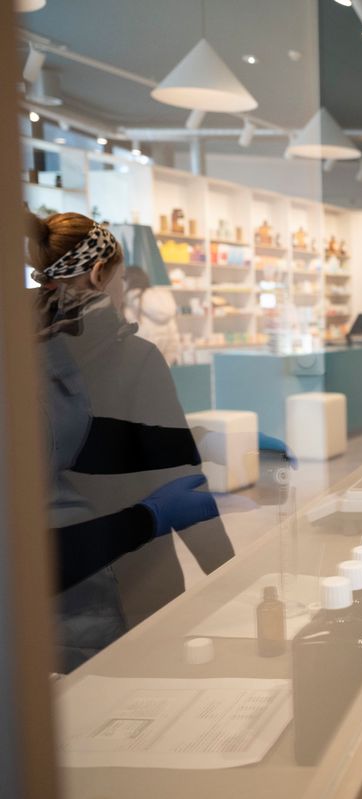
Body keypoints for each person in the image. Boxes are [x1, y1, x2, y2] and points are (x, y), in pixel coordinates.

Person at [27, 211, 234, 671]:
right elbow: (179, 476)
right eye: (120, 278)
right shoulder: (133, 357)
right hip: (138, 584)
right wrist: (232, 579)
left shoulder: (18, 354)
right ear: (102, 274)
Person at [123, 265, 181, 366]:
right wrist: (164, 365)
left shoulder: (129, 306)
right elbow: (174, 343)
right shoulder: (164, 302)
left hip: (138, 369)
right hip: (162, 368)